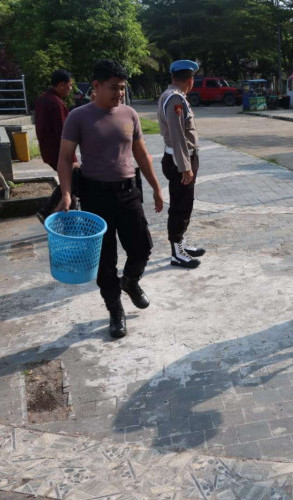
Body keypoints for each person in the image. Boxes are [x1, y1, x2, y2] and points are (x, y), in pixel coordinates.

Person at [55, 60, 164, 338]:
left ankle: (130, 281)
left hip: (129, 193)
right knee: (105, 261)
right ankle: (115, 311)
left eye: (123, 89)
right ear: (96, 86)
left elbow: (141, 154)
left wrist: (155, 186)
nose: (119, 94)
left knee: (141, 248)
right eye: (114, 88)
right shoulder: (78, 117)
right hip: (96, 198)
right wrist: (66, 193)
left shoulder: (129, 114)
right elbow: (65, 159)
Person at [156, 59, 205, 268]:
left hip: (180, 159)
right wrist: (185, 167)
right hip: (180, 162)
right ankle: (177, 253)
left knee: (185, 204)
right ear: (190, 80)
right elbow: (177, 136)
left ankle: (181, 242)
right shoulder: (175, 99)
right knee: (180, 207)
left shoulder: (173, 96)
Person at [34, 70, 78, 222]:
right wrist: (72, 158)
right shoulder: (56, 103)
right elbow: (64, 134)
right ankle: (46, 211)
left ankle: (70, 217)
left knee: (71, 182)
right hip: (57, 152)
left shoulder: (42, 99)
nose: (70, 89)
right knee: (71, 179)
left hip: (48, 149)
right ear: (61, 85)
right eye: (69, 85)